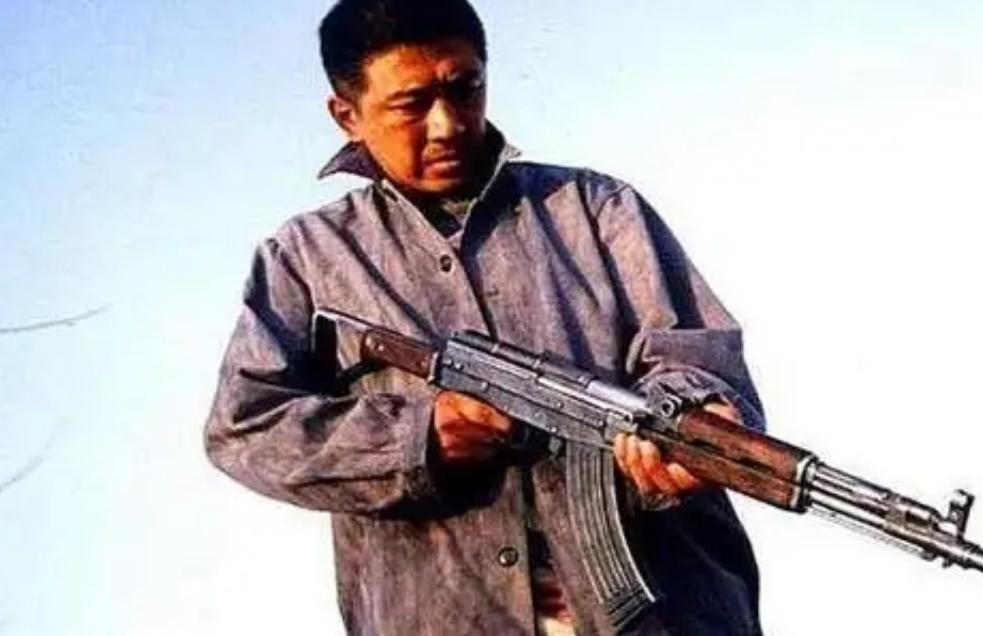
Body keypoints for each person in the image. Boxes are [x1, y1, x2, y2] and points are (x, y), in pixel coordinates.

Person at [205, 0, 765, 633]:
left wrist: (694, 419)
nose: (446, 124)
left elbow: (696, 355)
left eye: (465, 88)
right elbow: (245, 427)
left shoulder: (597, 208)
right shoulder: (306, 257)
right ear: (347, 115)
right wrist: (416, 437)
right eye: (411, 104)